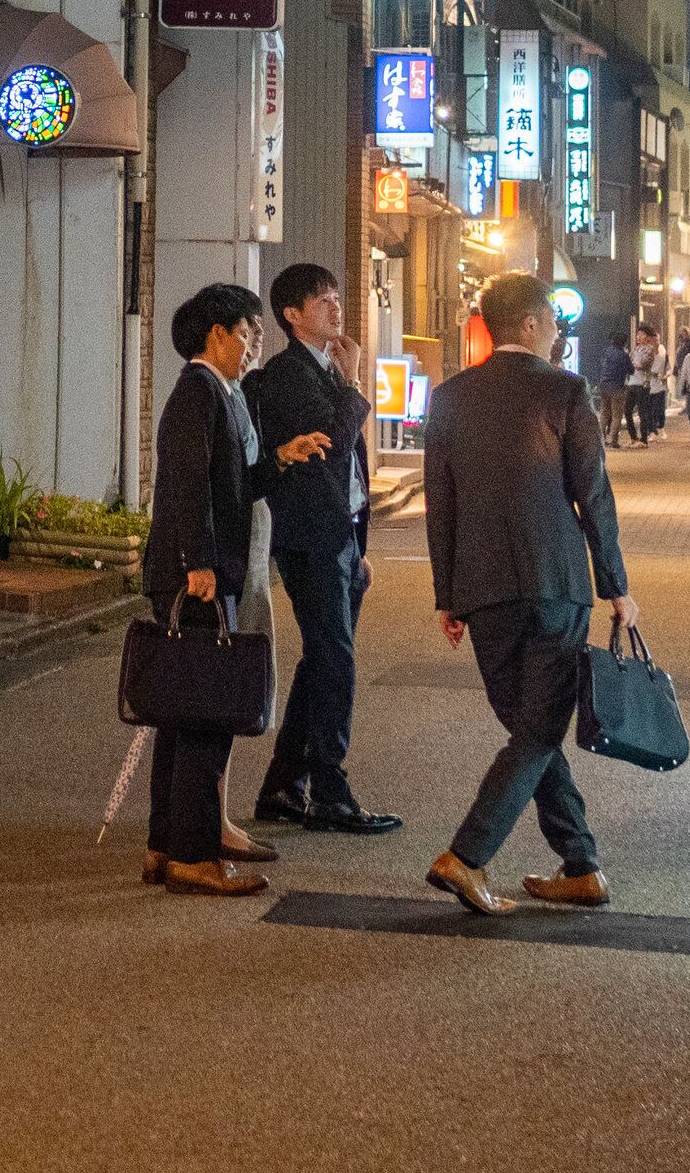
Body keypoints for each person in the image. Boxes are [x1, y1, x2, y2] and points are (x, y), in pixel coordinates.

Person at [421, 273, 632, 915]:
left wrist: (447, 595)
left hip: (482, 587)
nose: (558, 334)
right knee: (537, 731)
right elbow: (592, 493)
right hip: (556, 582)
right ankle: (467, 857)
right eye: (554, 322)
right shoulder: (566, 391)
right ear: (532, 324)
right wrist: (616, 587)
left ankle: (582, 865)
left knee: (530, 727)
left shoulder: (449, 397)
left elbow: (440, 503)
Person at [142, 282, 328, 895]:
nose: (253, 347)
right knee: (202, 714)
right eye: (247, 334)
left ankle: (165, 845)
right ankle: (193, 857)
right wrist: (199, 563)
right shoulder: (198, 393)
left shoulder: (220, 394)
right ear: (217, 334)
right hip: (197, 576)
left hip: (205, 569)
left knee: (180, 712)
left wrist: (281, 458)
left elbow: (234, 486)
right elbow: (187, 485)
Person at [243, 263, 402, 836]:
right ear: (291, 315)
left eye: (336, 297)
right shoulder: (288, 375)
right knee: (334, 661)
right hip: (310, 538)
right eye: (322, 301)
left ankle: (284, 786)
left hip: (337, 538)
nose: (336, 307)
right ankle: (330, 791)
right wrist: (354, 382)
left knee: (322, 660)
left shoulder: (322, 369)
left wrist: (357, 546)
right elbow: (331, 447)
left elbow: (349, 469)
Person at [587, 331, 633, 446]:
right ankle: (613, 440)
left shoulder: (606, 352)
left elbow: (600, 366)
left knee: (604, 413)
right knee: (617, 415)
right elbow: (631, 370)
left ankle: (601, 438)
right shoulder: (623, 355)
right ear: (624, 343)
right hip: (617, 386)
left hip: (604, 385)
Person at [631, 323, 669, 443]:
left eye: (657, 340)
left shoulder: (662, 351)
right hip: (647, 384)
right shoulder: (640, 350)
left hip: (659, 385)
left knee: (659, 409)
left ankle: (660, 428)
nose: (655, 341)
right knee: (649, 410)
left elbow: (668, 367)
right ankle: (651, 431)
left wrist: (665, 376)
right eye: (654, 339)